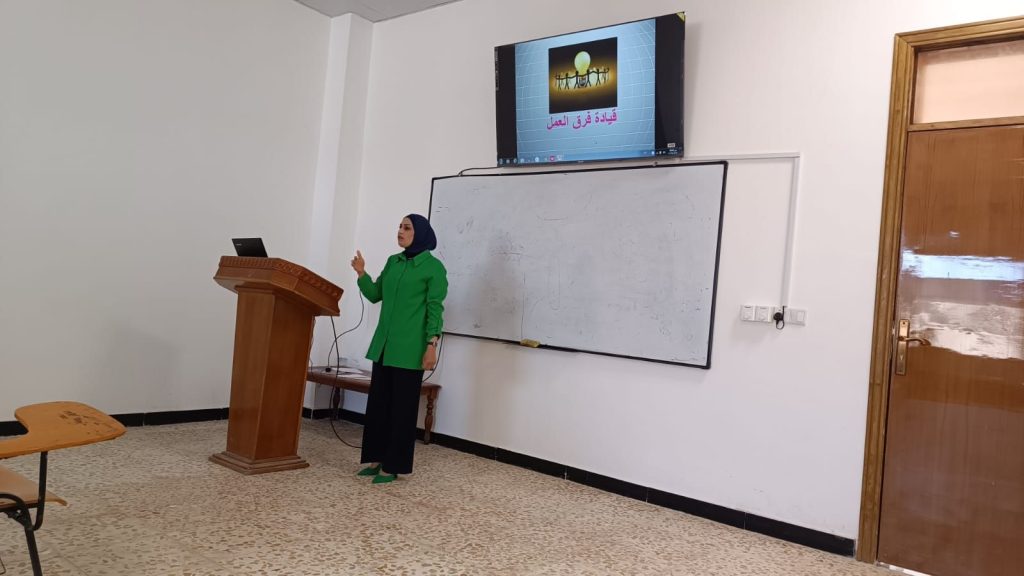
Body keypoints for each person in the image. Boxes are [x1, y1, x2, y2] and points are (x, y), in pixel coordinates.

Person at [349, 214, 448, 484]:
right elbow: (375, 294)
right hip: (384, 347)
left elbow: (435, 309)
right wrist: (361, 273)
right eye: (399, 227)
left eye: (407, 228)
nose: (400, 231)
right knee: (378, 406)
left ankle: (393, 466)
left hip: (410, 349)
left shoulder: (433, 268)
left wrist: (431, 344)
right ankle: (376, 459)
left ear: (421, 234)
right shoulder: (393, 261)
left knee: (401, 411)